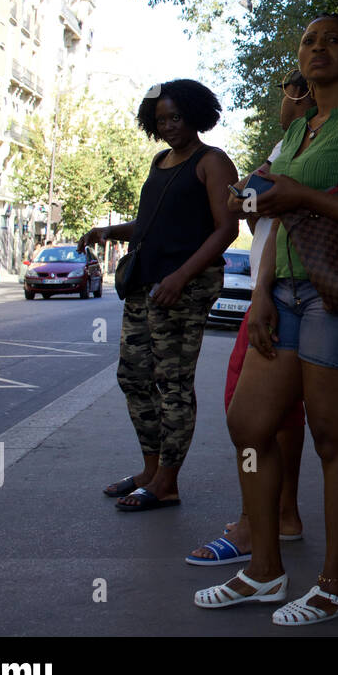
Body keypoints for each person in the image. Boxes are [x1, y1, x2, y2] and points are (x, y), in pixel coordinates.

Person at [193, 12, 338, 625]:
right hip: (283, 292)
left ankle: (335, 585)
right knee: (249, 425)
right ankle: (264, 570)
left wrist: (304, 195)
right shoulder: (297, 132)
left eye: (333, 40)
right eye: (310, 41)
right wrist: (260, 293)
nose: (318, 48)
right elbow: (276, 217)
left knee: (333, 439)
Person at [80, 80, 238, 512]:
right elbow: (153, 226)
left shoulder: (213, 162)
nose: (168, 126)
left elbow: (227, 229)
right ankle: (150, 471)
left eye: (175, 117)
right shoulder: (160, 161)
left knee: (173, 383)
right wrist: (110, 231)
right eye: (160, 119)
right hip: (146, 284)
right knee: (132, 377)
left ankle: (167, 481)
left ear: (195, 115)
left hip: (184, 287)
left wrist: (182, 277)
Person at [186, 70, 311, 566]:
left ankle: (252, 527)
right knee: (283, 414)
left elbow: (243, 201)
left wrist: (261, 291)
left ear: (298, 95)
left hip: (277, 289)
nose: (281, 100)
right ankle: (280, 517)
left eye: (287, 90)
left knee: (247, 413)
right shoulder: (308, 142)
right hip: (287, 287)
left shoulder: (297, 144)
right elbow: (250, 204)